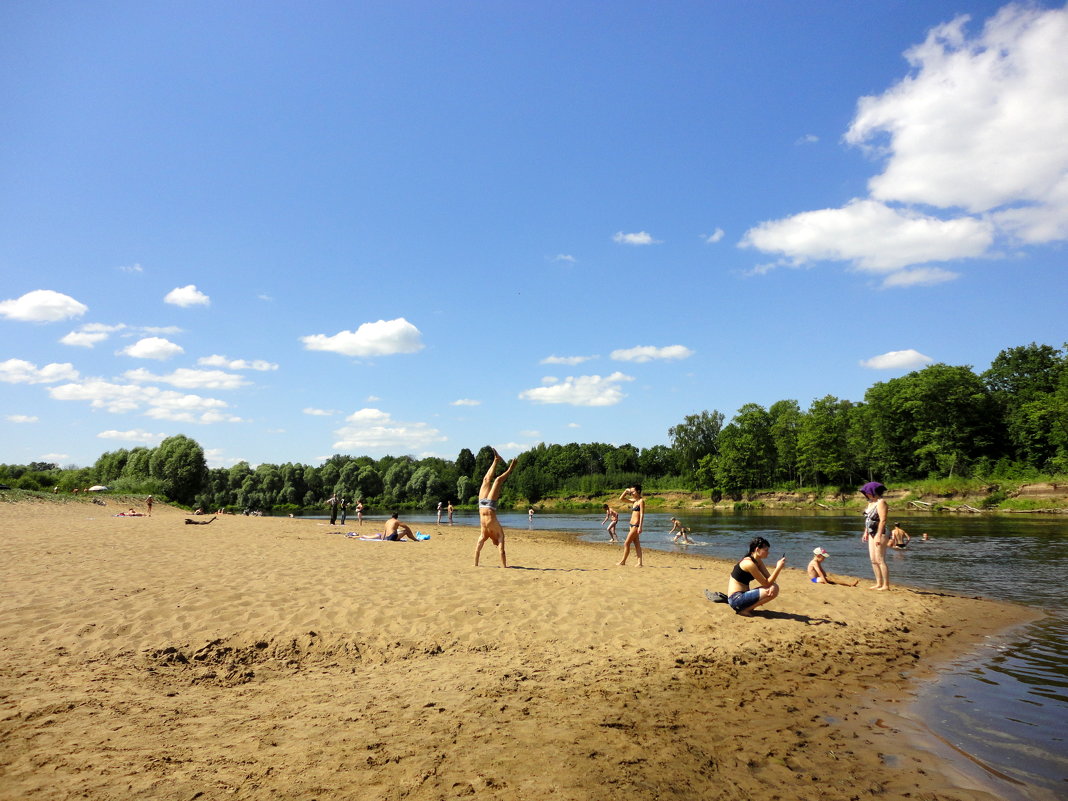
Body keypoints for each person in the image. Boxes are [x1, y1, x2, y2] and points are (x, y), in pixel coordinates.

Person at [474, 449, 515, 567]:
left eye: (496, 544)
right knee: (493, 480)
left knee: (491, 480)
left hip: (482, 504)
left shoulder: (484, 535)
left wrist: (475, 565)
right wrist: (504, 566)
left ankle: (507, 468)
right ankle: (497, 460)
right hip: (490, 504)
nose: (494, 544)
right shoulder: (500, 534)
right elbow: (502, 551)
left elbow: (477, 550)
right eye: (496, 544)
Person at [726, 537, 785, 615]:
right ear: (757, 550)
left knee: (774, 587)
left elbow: (769, 578)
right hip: (735, 599)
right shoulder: (749, 563)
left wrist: (773, 584)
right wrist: (778, 568)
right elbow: (766, 583)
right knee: (773, 589)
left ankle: (747, 608)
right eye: (766, 550)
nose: (768, 553)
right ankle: (745, 610)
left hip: (743, 595)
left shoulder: (758, 561)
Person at [860, 481, 890, 590]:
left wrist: (878, 535)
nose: (866, 494)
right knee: (873, 559)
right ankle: (878, 583)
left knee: (880, 559)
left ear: (873, 492)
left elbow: (882, 520)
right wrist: (866, 532)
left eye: (867, 492)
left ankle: (885, 585)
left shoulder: (881, 502)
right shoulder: (870, 503)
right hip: (871, 532)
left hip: (880, 532)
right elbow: (868, 519)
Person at [617, 485, 645, 567]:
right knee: (637, 544)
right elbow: (621, 499)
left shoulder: (641, 501)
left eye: (633, 491)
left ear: (638, 491)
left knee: (626, 543)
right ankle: (639, 563)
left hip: (636, 525)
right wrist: (625, 491)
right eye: (631, 492)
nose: (631, 493)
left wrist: (640, 526)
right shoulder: (634, 501)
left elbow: (642, 514)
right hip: (631, 525)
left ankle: (623, 561)